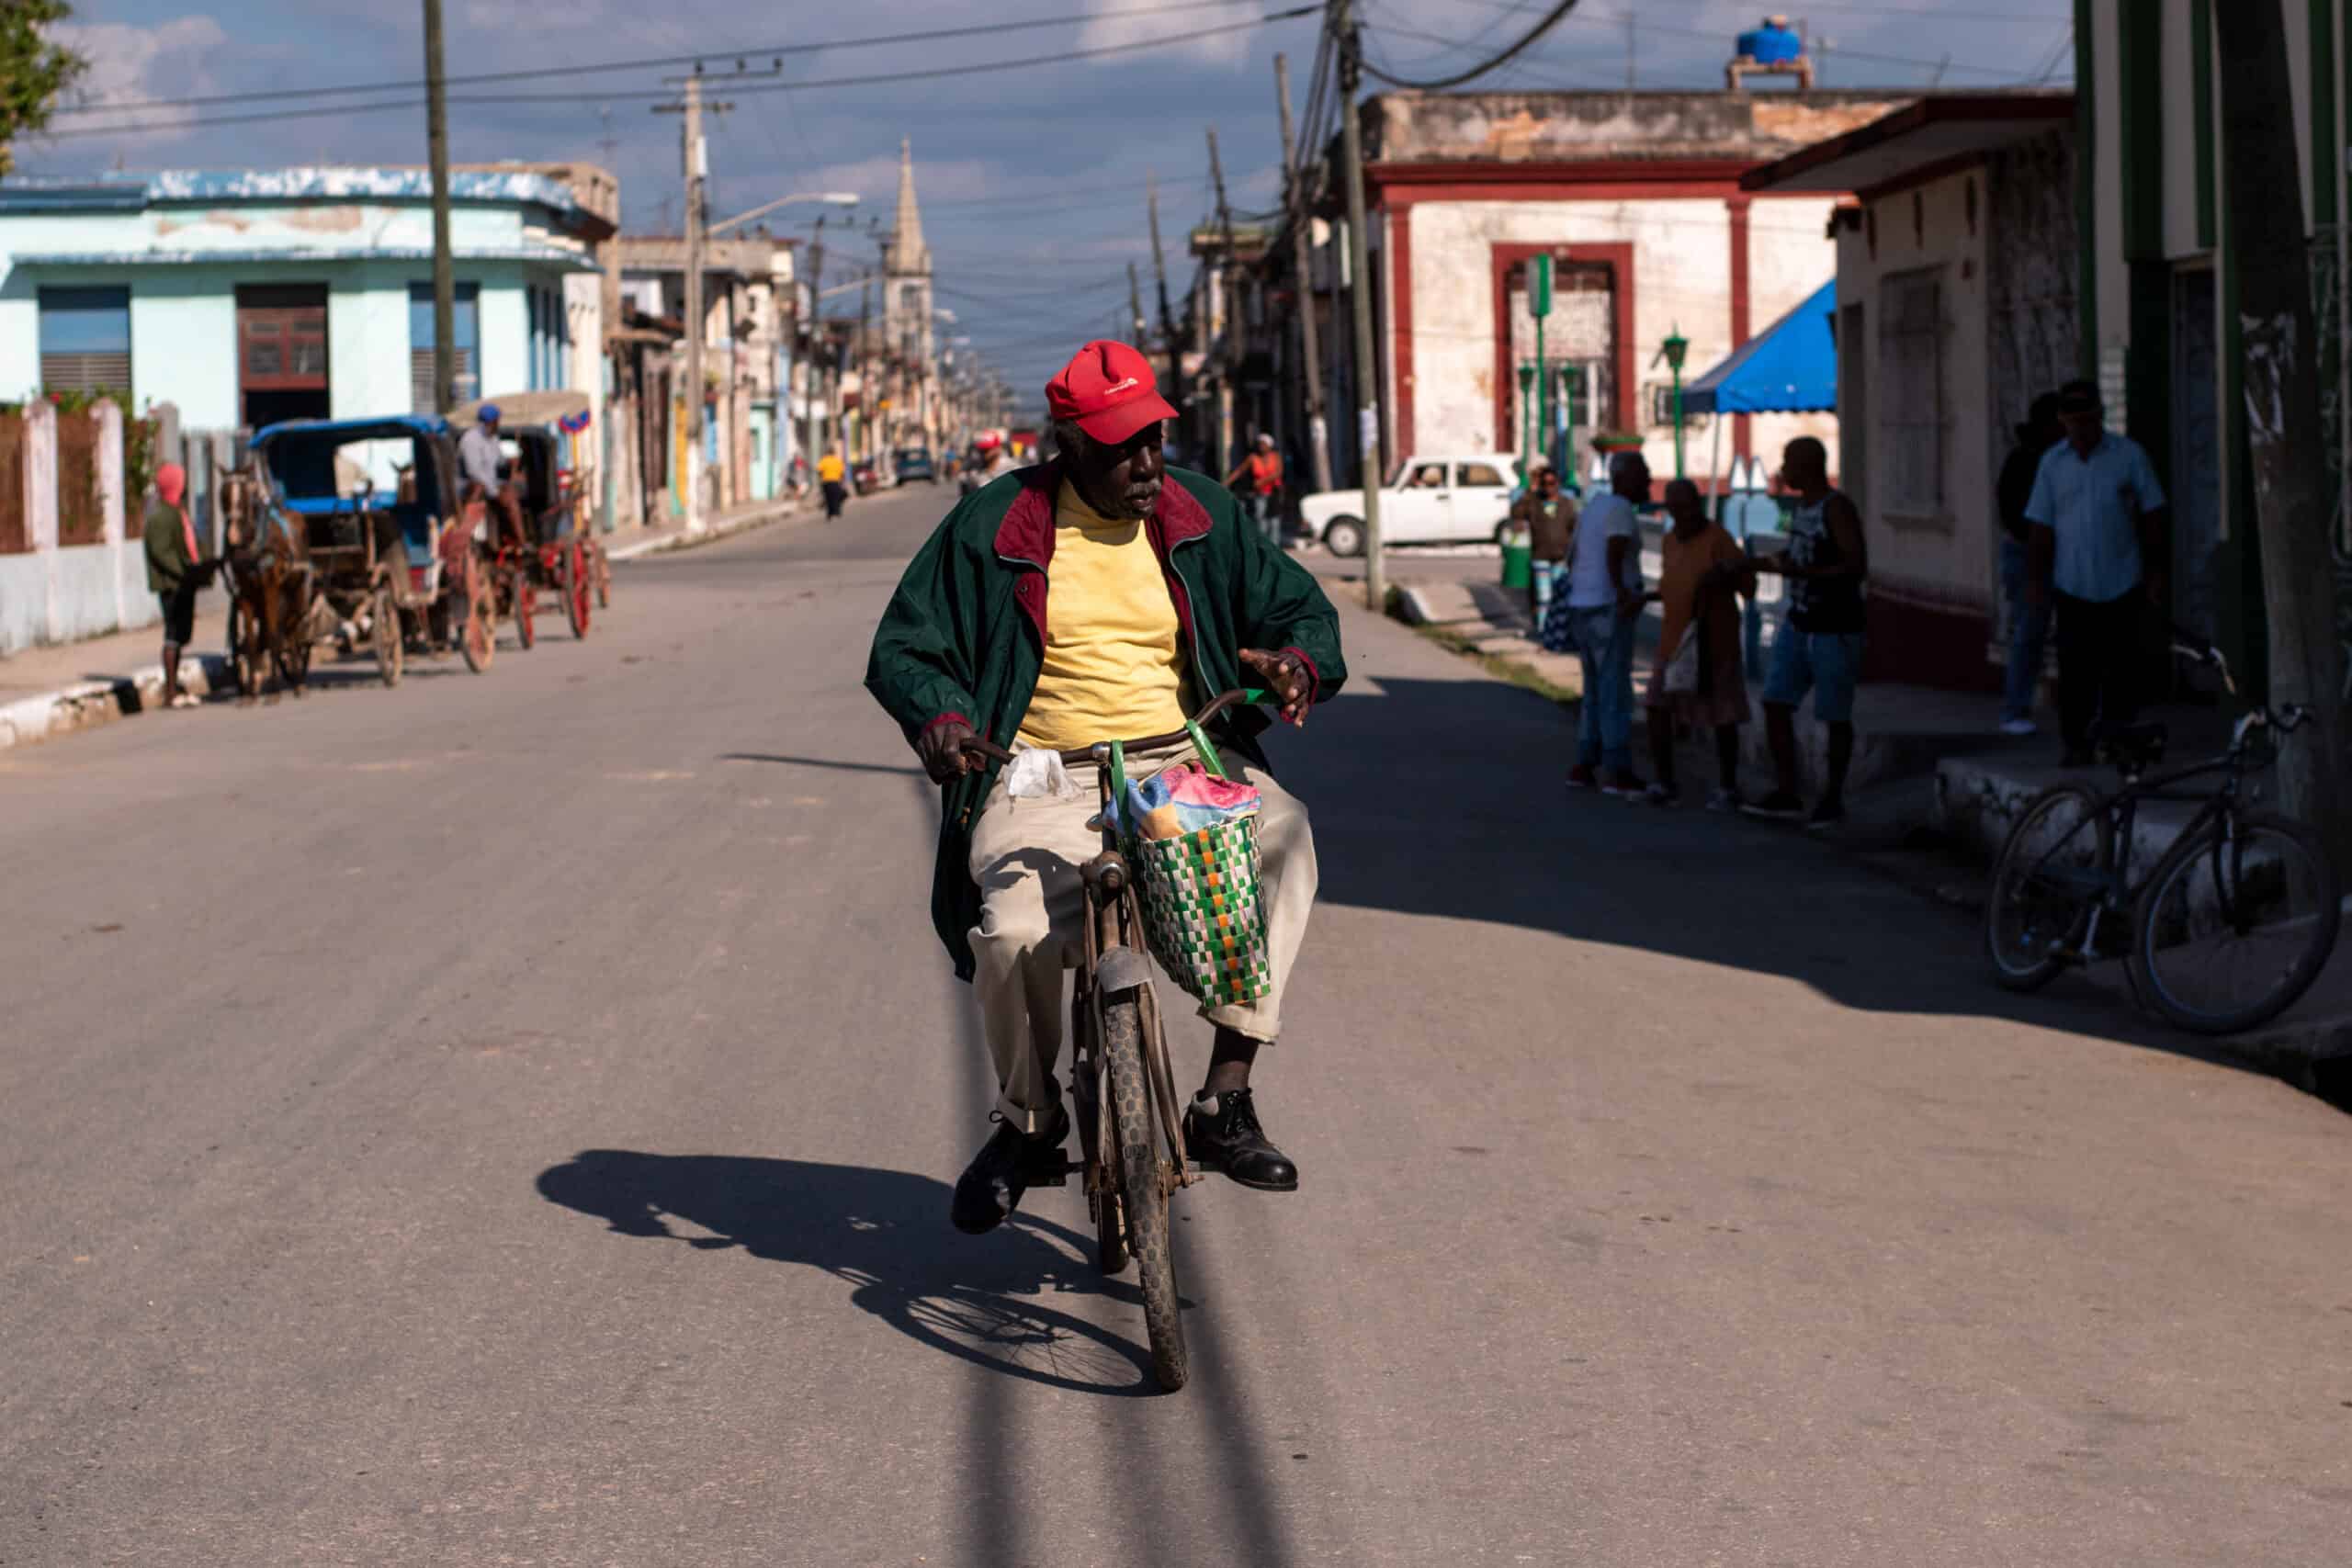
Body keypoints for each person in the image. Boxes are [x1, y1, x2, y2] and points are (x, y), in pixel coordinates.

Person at [867, 339, 1346, 1235]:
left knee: (1283, 840)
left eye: (1154, 439)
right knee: (1010, 930)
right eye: (1122, 445)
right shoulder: (993, 524)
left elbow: (1295, 606)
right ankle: (1027, 1124)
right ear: (1067, 443)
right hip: (1041, 766)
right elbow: (906, 643)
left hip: (1176, 757)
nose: (1145, 464)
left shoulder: (1199, 511)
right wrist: (936, 713)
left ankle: (1223, 1100)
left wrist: (1295, 660)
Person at [2024, 380, 2170, 768]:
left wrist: (2155, 573)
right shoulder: (2052, 465)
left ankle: (2120, 740)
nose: (2081, 429)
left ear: (2099, 417)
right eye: (2073, 422)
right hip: (2072, 584)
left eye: (2087, 421)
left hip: (2123, 580)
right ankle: (2077, 743)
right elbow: (2040, 526)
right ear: (2063, 422)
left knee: (2122, 669)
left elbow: (2153, 513)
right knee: (2076, 671)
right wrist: (2036, 582)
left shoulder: (2129, 456)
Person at [1744, 436, 1868, 830]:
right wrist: (1758, 563)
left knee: (1833, 716)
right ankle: (1787, 791)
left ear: (1809, 465)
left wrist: (1799, 574)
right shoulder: (1802, 508)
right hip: (1799, 622)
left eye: (1789, 462)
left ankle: (1832, 798)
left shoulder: (1837, 508)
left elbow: (1854, 566)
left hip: (1835, 626)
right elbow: (1796, 554)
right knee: (1776, 702)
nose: (1784, 470)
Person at [1642, 478, 1754, 810]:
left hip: (1714, 643)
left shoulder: (1718, 539)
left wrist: (1726, 575)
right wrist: (1642, 598)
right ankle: (1664, 782)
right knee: (1656, 706)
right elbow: (1671, 586)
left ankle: (1728, 787)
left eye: (1688, 508)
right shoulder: (1669, 542)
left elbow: (1748, 586)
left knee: (1722, 714)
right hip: (1674, 642)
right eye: (1675, 510)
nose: (1682, 517)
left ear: (1698, 506)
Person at [1562, 448, 1648, 796]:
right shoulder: (1621, 509)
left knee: (1594, 690)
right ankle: (1616, 768)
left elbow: (1572, 558)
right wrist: (1624, 594)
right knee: (1614, 690)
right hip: (1607, 609)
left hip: (1582, 605)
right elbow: (1615, 552)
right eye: (1643, 474)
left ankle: (1585, 762)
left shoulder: (1594, 506)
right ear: (1625, 477)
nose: (1648, 481)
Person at [1996, 392, 2063, 736]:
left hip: (2063, 554)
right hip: (2026, 554)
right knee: (2028, 632)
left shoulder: (2064, 460)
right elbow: (2011, 513)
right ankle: (2016, 709)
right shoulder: (2024, 461)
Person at [143, 462, 204, 709]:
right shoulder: (160, 516)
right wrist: (184, 571)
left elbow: (190, 543)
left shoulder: (177, 511)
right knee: (172, 635)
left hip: (183, 582)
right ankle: (170, 691)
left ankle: (174, 686)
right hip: (171, 584)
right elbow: (160, 551)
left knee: (180, 636)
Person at [1514, 462, 1576, 624]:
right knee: (1544, 597)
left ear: (1557, 484)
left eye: (1552, 483)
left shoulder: (1566, 504)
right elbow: (1517, 511)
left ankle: (1557, 631)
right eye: (1545, 484)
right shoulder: (1534, 502)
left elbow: (1574, 527)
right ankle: (1543, 632)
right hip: (1540, 556)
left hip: (1561, 557)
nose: (1548, 487)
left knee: (1558, 596)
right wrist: (1530, 490)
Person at [458, 404, 523, 549]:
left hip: (490, 483)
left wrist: (510, 461)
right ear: (489, 422)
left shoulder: (493, 439)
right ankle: (521, 541)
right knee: (506, 499)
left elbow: (498, 461)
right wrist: (495, 492)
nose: (498, 424)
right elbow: (474, 472)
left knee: (513, 492)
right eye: (496, 421)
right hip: (473, 488)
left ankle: (515, 540)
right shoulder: (470, 440)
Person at [1224, 433, 1286, 546]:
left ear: (1269, 445)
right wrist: (1226, 483)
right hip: (1260, 492)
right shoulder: (1253, 458)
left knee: (1274, 520)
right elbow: (1240, 471)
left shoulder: (1275, 456)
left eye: (1263, 444)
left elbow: (1278, 473)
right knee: (1260, 518)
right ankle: (1263, 544)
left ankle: (1274, 545)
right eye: (1259, 444)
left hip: (1274, 493)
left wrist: (1263, 481)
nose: (1261, 446)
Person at [817, 446, 848, 521]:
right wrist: (843, 483)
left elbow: (819, 471)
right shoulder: (837, 461)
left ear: (828, 453)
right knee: (836, 497)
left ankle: (830, 514)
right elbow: (842, 473)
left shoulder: (824, 460)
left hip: (826, 482)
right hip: (835, 482)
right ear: (834, 453)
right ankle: (837, 512)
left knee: (828, 498)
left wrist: (822, 476)